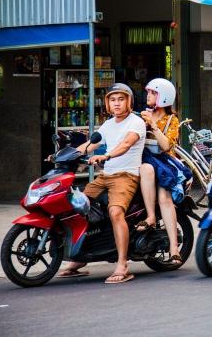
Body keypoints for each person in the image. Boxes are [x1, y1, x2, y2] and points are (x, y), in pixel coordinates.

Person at [58, 83, 146, 284]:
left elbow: (125, 144)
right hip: (106, 176)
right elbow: (90, 144)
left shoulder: (136, 122)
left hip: (126, 176)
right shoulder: (108, 124)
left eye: (121, 99)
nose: (117, 103)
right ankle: (80, 259)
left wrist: (105, 155)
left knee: (115, 212)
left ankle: (122, 264)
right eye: (113, 99)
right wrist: (62, 156)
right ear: (107, 103)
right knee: (78, 206)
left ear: (129, 101)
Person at [136, 78, 185, 265]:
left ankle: (173, 248)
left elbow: (166, 146)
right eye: (148, 92)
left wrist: (154, 126)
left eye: (152, 93)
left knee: (164, 198)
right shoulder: (141, 116)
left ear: (163, 97)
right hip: (141, 161)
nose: (148, 96)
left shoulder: (171, 120)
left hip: (164, 164)